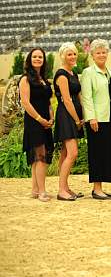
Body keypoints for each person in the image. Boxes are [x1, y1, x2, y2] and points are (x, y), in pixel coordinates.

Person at [80, 39, 111, 200]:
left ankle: (101, 187)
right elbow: (87, 97)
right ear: (92, 55)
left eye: (104, 52)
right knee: (97, 153)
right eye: (98, 52)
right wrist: (91, 118)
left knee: (106, 152)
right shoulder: (88, 72)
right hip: (96, 119)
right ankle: (96, 189)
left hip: (109, 118)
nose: (102, 55)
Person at [19, 48, 54, 202]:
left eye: (40, 57)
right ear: (30, 59)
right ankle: (42, 192)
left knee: (38, 156)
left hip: (46, 121)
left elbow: (48, 101)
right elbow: (25, 103)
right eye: (35, 57)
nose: (38, 59)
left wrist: (51, 118)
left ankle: (34, 190)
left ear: (43, 60)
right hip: (34, 121)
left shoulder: (44, 80)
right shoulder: (25, 79)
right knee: (40, 155)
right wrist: (40, 119)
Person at [53, 42, 85, 201]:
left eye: (74, 54)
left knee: (65, 153)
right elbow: (66, 100)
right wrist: (77, 119)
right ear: (63, 56)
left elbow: (78, 96)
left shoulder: (73, 73)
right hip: (66, 116)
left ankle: (65, 187)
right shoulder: (61, 75)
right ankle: (61, 190)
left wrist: (84, 114)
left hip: (74, 115)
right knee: (73, 153)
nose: (72, 56)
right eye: (69, 54)